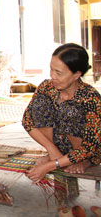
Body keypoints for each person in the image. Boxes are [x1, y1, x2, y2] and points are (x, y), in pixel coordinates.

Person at [22, 43, 101, 183]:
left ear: (77, 74)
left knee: (69, 109)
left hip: (87, 151)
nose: (53, 76)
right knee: (41, 102)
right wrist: (52, 149)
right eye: (51, 70)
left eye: (59, 73)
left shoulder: (90, 98)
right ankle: (56, 155)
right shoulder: (47, 87)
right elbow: (27, 120)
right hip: (59, 147)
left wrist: (50, 166)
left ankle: (82, 161)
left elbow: (89, 146)